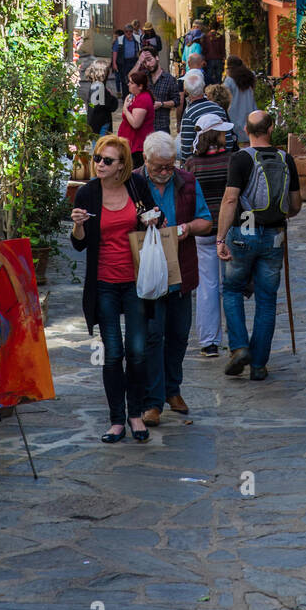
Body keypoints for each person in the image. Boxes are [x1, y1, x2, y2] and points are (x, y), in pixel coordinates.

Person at [69, 135, 151, 444]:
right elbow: (79, 244)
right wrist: (77, 225)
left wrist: (151, 220)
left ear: (121, 166)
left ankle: (136, 414)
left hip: (135, 281)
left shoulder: (136, 187)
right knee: (113, 353)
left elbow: (156, 217)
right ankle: (117, 420)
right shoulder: (87, 194)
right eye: (98, 158)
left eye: (107, 160)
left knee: (138, 351)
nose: (99, 164)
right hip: (103, 282)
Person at [215, 110, 302, 381]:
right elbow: (296, 204)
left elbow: (230, 200)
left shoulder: (240, 159)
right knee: (266, 300)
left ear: (245, 129)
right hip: (274, 234)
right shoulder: (286, 159)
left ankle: (239, 347)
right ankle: (259, 365)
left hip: (244, 232)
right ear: (271, 128)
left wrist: (220, 238)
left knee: (231, 290)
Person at [133, 133, 212, 425]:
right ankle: (153, 402)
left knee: (179, 335)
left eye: (170, 165)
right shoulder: (133, 183)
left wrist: (187, 228)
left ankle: (172, 389)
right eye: (159, 167)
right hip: (148, 273)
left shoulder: (187, 181)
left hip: (181, 271)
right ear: (145, 160)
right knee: (154, 337)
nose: (165, 172)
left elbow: (206, 220)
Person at [184, 118, 232, 356]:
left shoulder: (191, 164)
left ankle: (209, 342)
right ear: (215, 136)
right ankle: (236, 341)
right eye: (222, 133)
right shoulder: (230, 160)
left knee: (207, 286)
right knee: (230, 286)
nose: (226, 136)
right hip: (228, 229)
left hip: (203, 230)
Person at [179, 68, 236, 161]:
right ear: (204, 86)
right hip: (222, 161)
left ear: (186, 91)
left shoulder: (189, 114)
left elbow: (186, 148)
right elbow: (228, 140)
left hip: (201, 164)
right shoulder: (219, 109)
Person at [118, 67, 155, 168]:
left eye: (131, 83)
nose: (128, 84)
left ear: (140, 86)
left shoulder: (142, 99)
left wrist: (125, 109)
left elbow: (135, 123)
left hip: (137, 146)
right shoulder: (135, 96)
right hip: (130, 145)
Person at [139, 49, 182, 134]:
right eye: (144, 62)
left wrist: (161, 104)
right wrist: (138, 62)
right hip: (144, 126)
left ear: (157, 58)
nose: (147, 64)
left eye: (149, 60)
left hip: (162, 126)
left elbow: (176, 101)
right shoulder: (143, 76)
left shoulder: (169, 79)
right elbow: (129, 79)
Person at [222, 56, 259, 146]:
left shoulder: (229, 81)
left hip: (235, 115)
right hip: (250, 113)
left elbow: (224, 96)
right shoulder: (250, 77)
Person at [86, 58, 117, 138]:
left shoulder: (93, 86)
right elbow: (112, 106)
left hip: (93, 124)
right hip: (102, 124)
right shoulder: (101, 89)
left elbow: (92, 106)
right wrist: (111, 96)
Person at [112, 23, 143, 97]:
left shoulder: (137, 38)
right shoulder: (120, 39)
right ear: (124, 32)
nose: (128, 33)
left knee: (135, 79)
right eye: (126, 31)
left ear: (132, 31)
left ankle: (134, 95)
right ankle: (125, 96)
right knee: (124, 80)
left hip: (134, 61)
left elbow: (141, 50)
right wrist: (114, 63)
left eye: (130, 31)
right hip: (123, 62)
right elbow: (115, 51)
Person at [202, 20, 226, 86]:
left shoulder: (206, 37)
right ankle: (218, 92)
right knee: (218, 79)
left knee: (209, 79)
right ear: (217, 27)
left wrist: (203, 59)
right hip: (219, 59)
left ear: (209, 27)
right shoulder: (220, 37)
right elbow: (223, 48)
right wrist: (223, 57)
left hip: (209, 59)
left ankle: (210, 92)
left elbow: (204, 49)